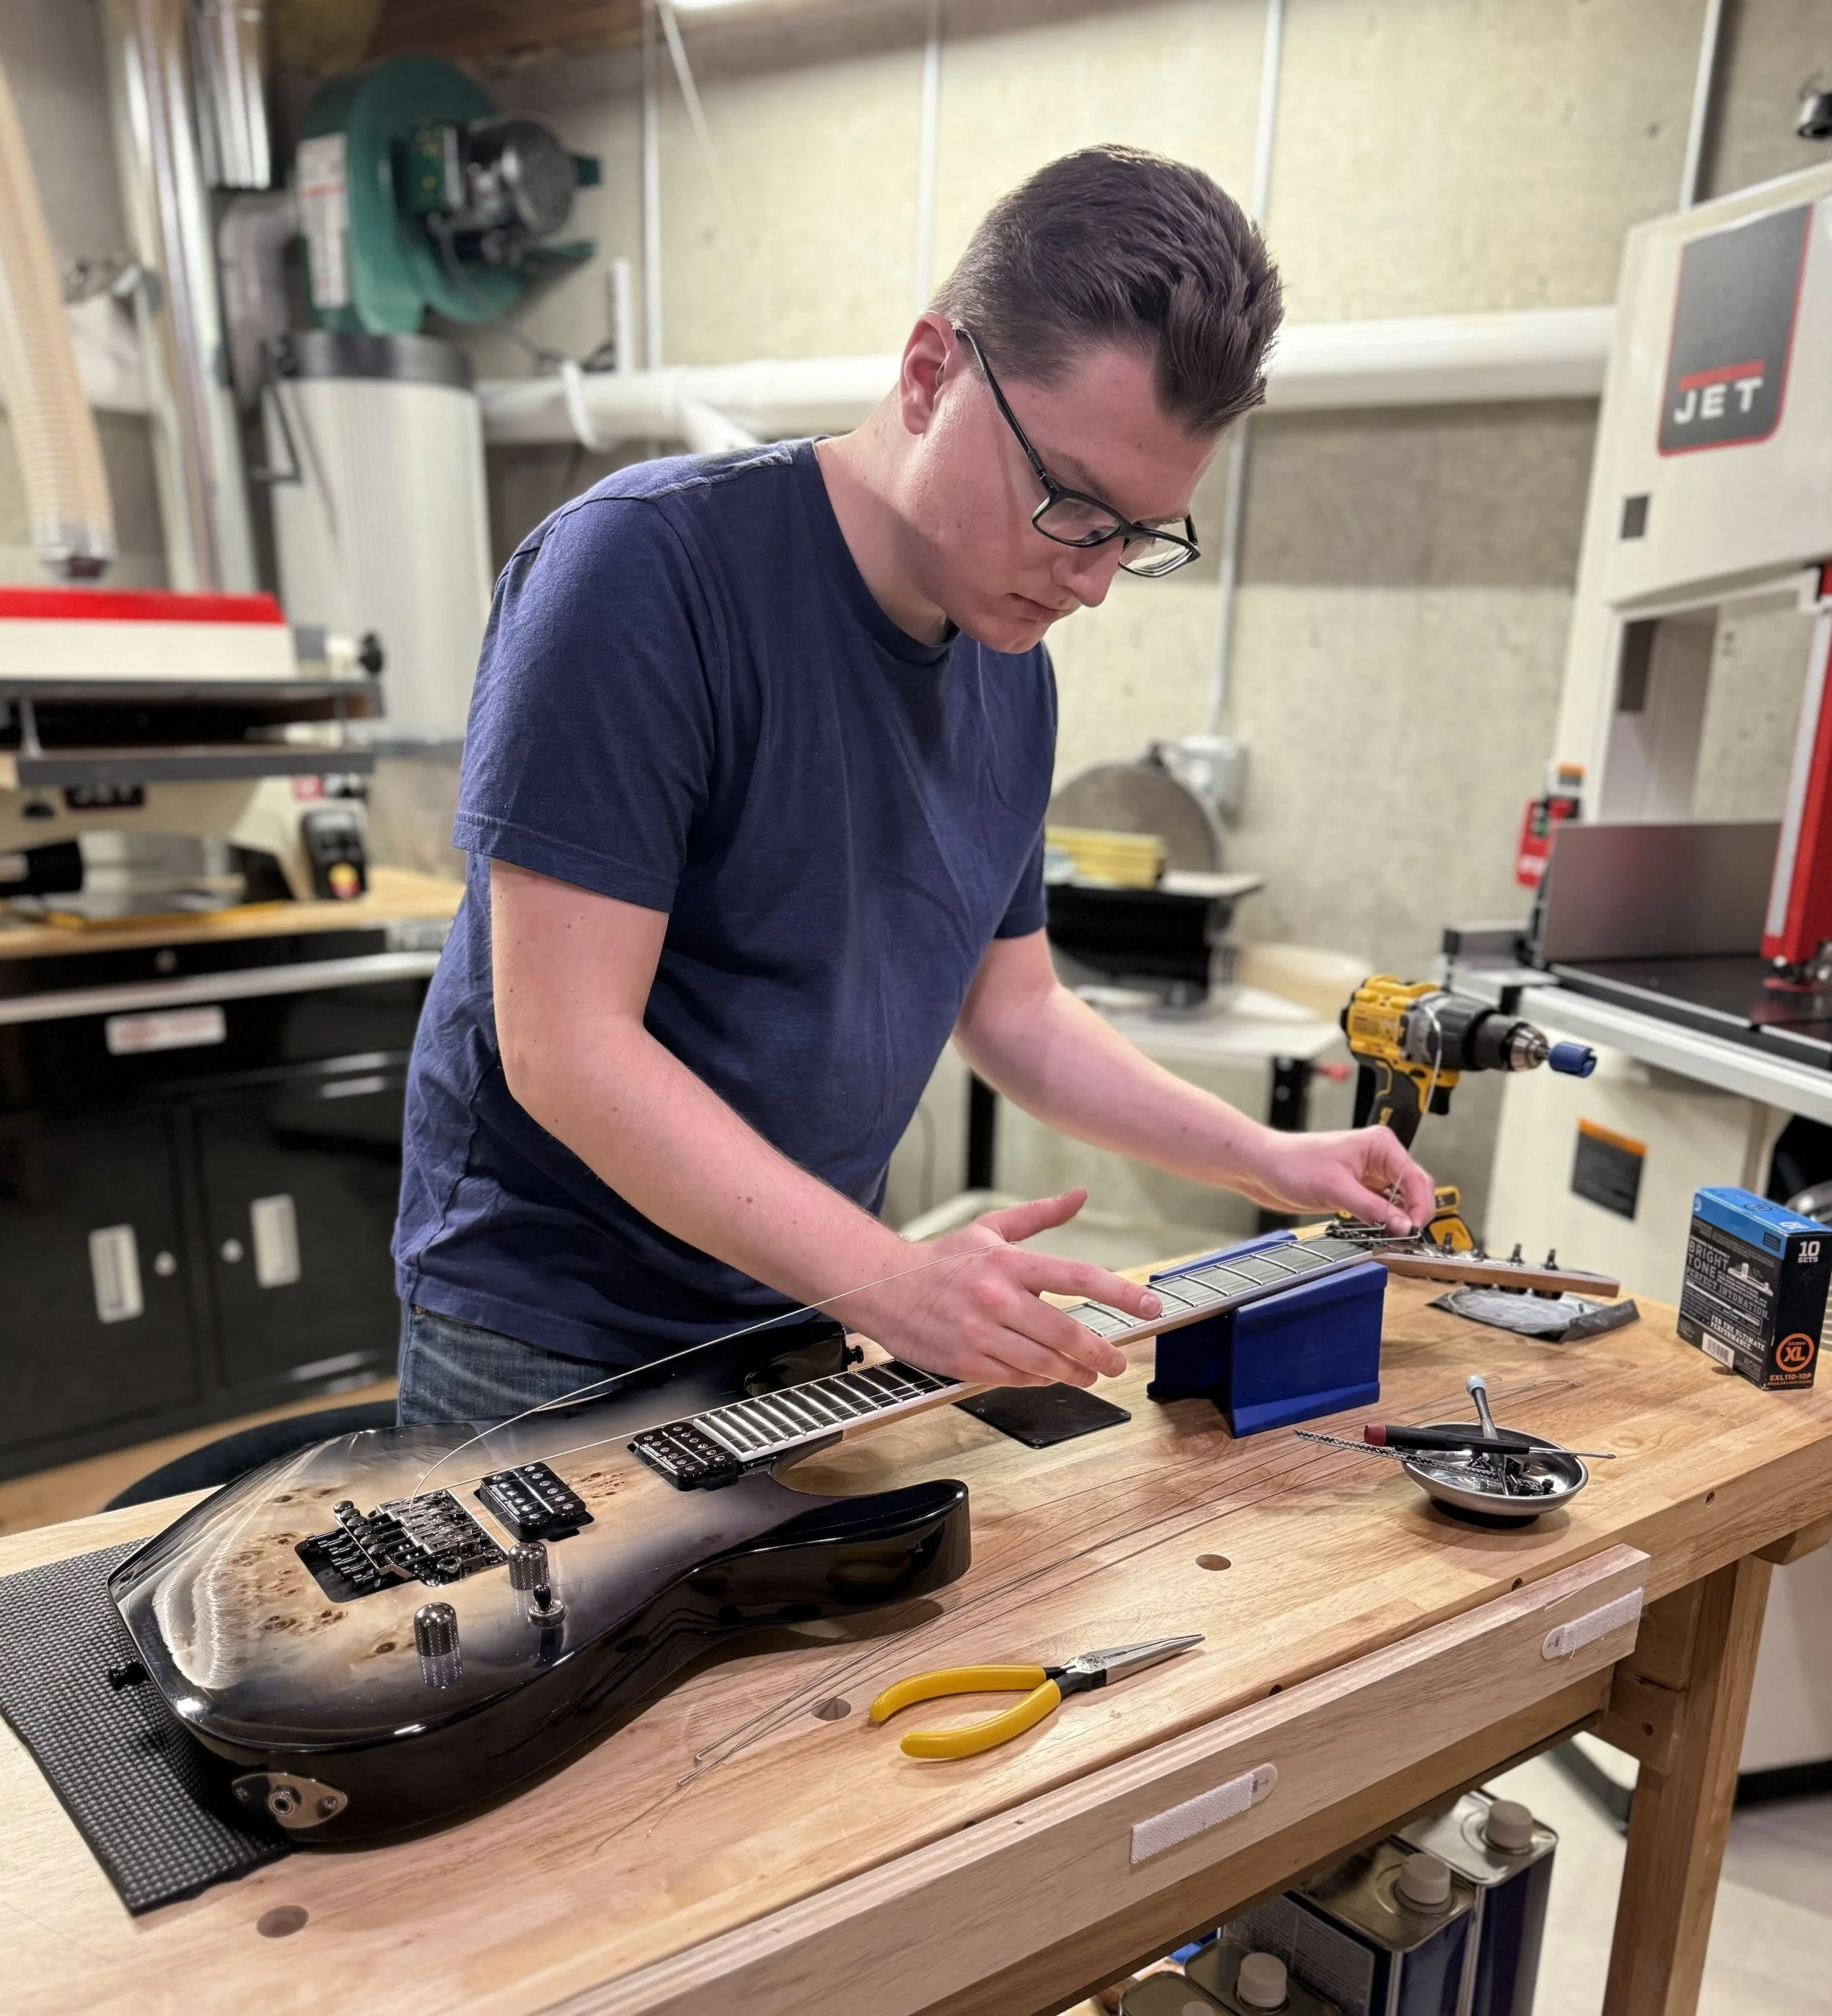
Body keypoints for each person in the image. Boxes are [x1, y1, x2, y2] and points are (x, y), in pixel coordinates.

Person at [393, 144, 1433, 1424]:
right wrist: (893, 1280)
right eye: (1072, 503)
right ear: (932, 372)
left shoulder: (1011, 667)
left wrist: (1268, 1159)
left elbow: (1018, 1011)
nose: (1093, 580)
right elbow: (567, 1048)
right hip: (552, 1335)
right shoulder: (643, 571)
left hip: (795, 1314)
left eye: (1137, 535)